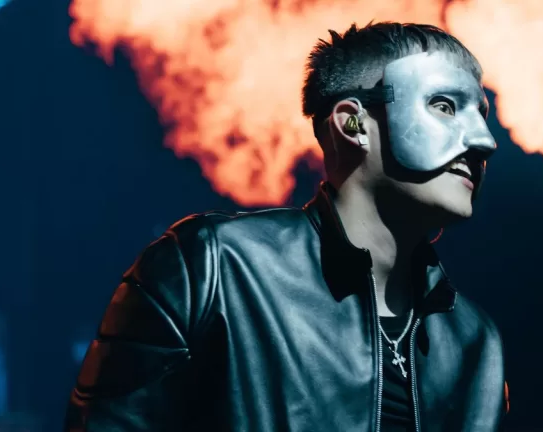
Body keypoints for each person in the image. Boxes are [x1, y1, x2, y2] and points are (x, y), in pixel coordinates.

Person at [65, 22, 506, 431]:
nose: (484, 142)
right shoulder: (213, 269)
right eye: (444, 106)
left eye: (480, 114)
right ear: (352, 124)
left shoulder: (475, 343)